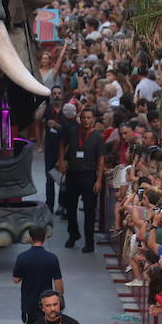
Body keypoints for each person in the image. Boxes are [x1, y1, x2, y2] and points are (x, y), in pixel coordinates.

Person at [58, 108, 106, 252]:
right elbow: (61, 144)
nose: (86, 120)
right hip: (72, 174)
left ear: (93, 120)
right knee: (70, 207)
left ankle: (89, 242)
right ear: (80, 118)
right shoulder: (72, 132)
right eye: (83, 117)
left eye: (89, 118)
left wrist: (98, 180)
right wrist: (61, 161)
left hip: (89, 176)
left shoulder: (97, 137)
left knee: (89, 210)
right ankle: (73, 234)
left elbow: (101, 159)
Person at [12, 226, 65, 324]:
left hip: (29, 306)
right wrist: (59, 299)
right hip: (47, 305)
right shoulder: (52, 258)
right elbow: (58, 282)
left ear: (30, 238)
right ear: (44, 238)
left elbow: (16, 279)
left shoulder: (22, 257)